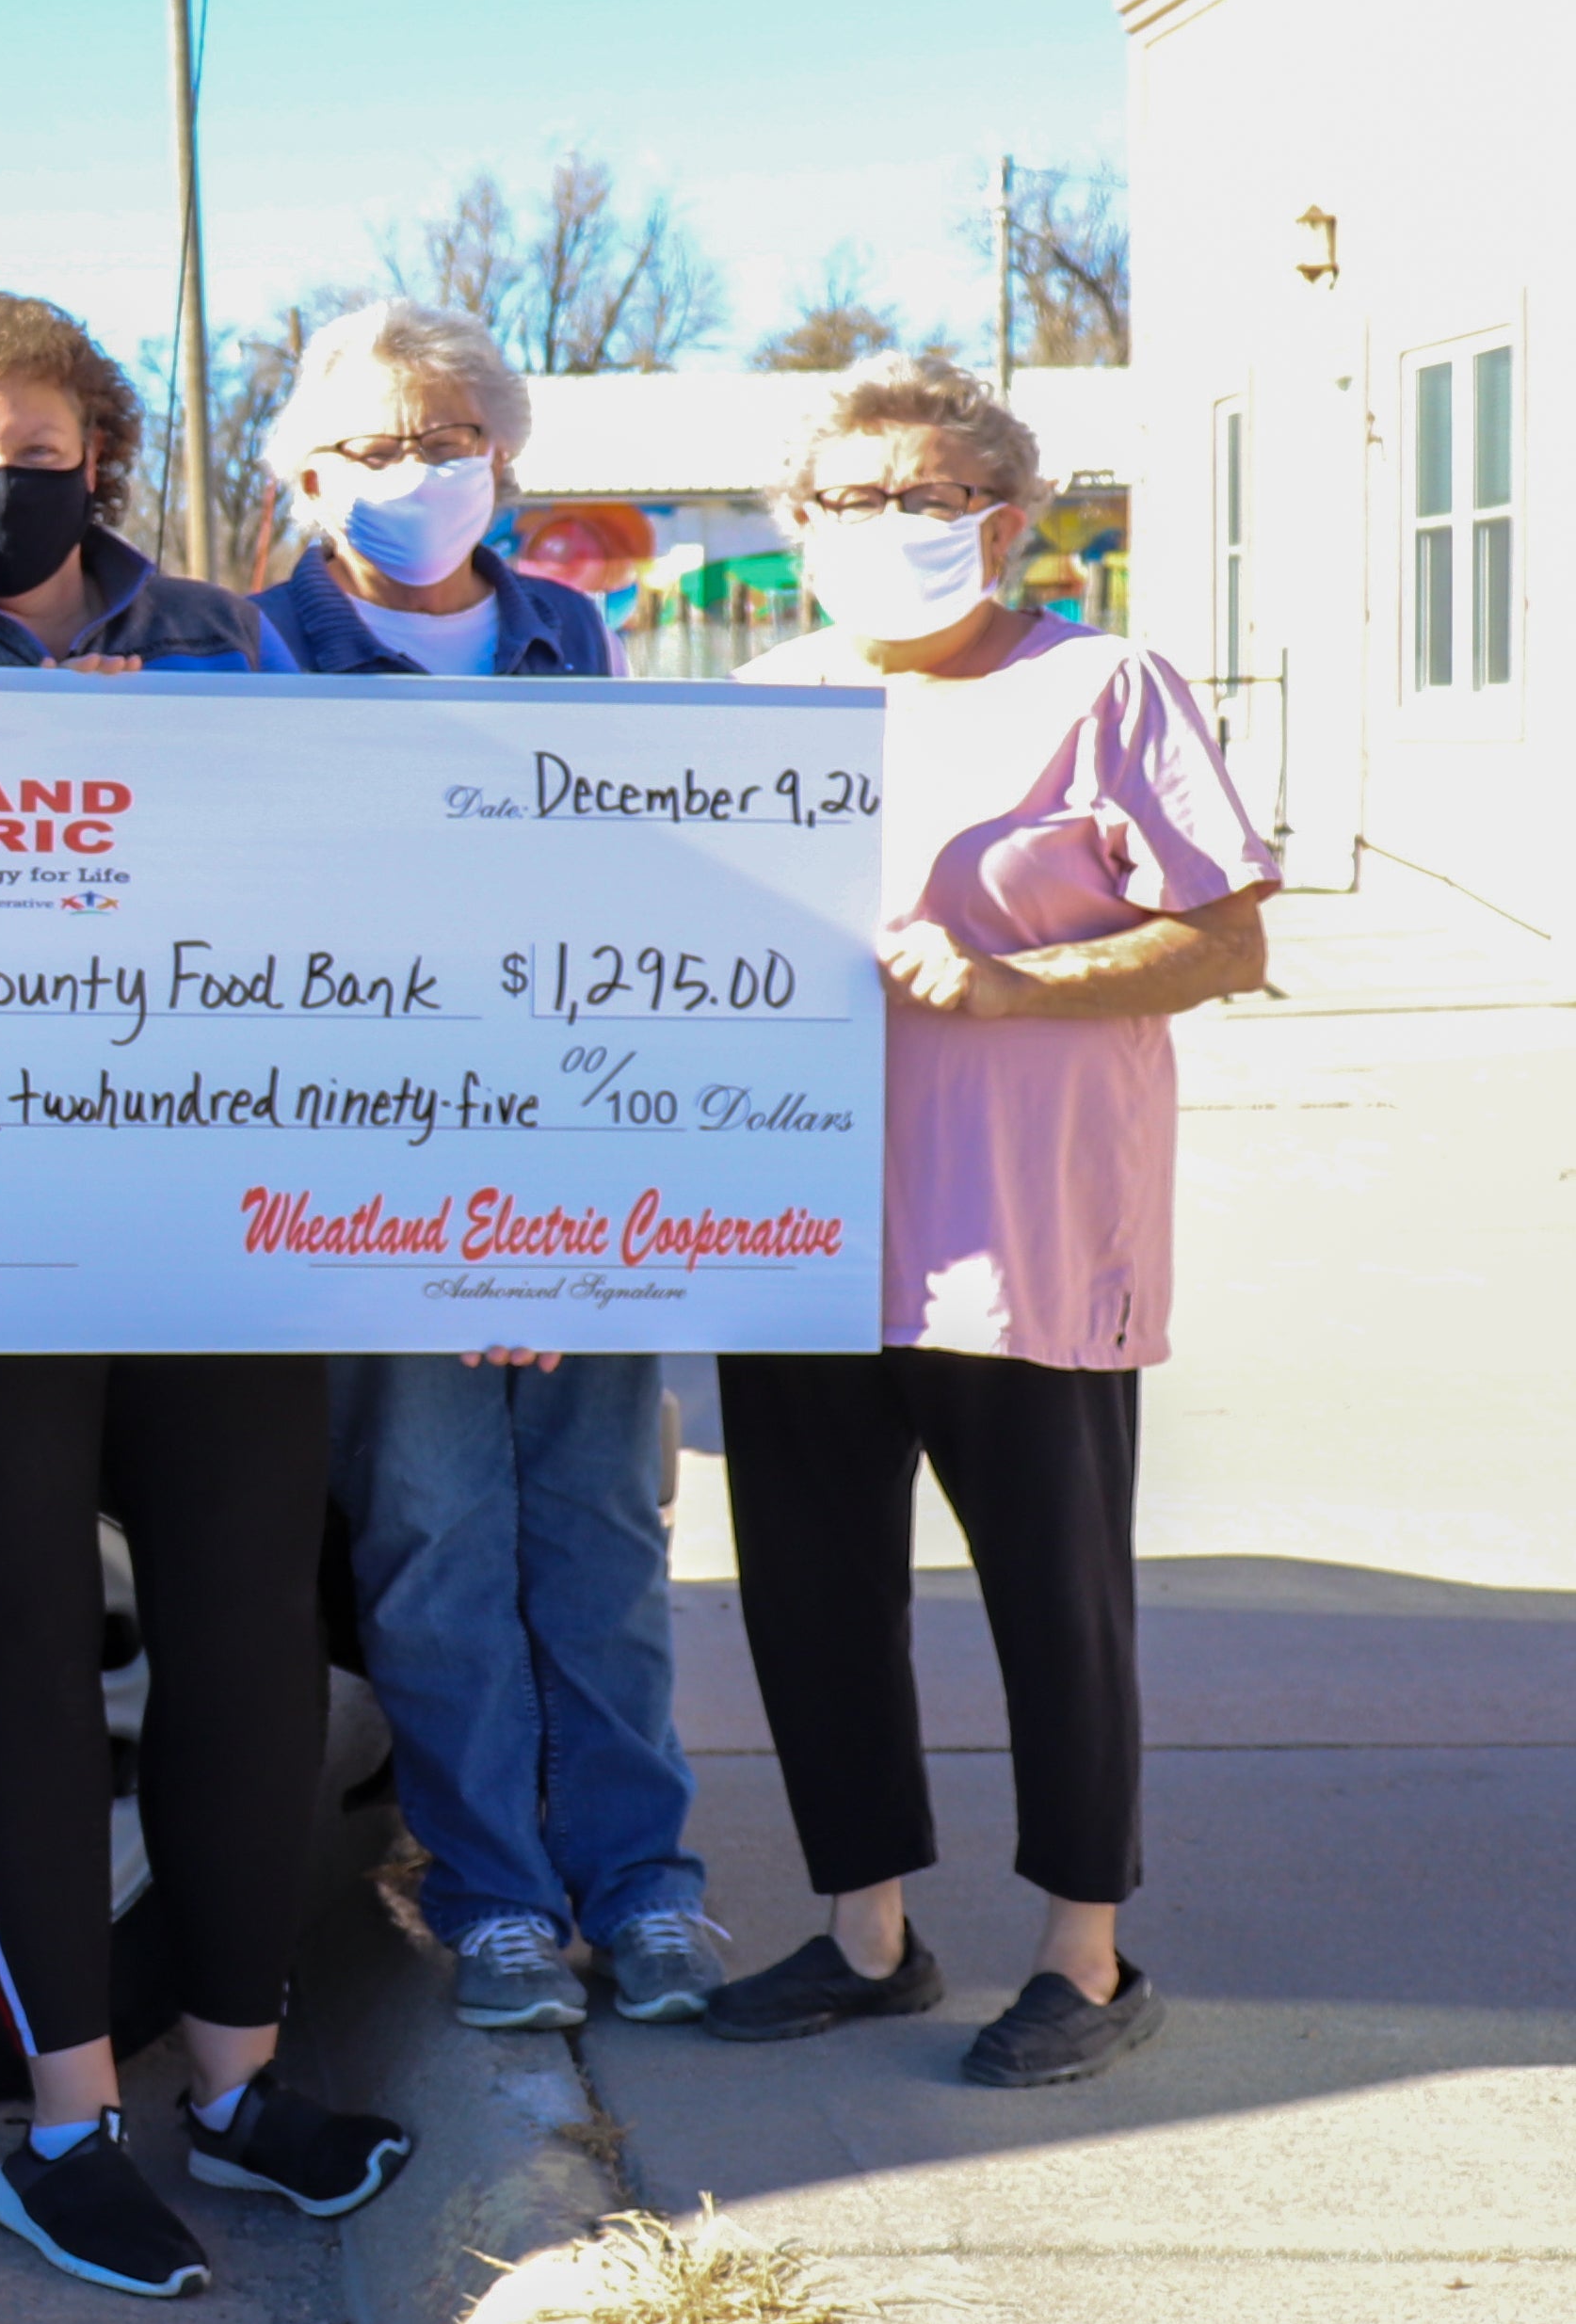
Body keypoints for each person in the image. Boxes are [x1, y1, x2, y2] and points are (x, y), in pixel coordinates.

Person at [0, 290, 407, 2299]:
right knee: (22, 1641)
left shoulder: (229, 639)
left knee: (241, 1638)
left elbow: (355, 877)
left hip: (213, 1212)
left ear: (100, 452)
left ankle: (231, 2081)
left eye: (26, 442)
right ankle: (63, 2126)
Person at [705, 354, 1278, 2087]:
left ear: (1011, 522)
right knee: (812, 1598)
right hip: (799, 1233)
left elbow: (1229, 940)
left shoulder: (1104, 687)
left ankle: (1087, 1961)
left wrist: (1016, 981)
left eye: (939, 496)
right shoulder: (760, 703)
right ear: (798, 529)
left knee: (1055, 1597)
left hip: (1024, 1237)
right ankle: (868, 1934)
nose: (900, 527)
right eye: (859, 499)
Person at [251, 301, 721, 2037]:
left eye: (448, 438)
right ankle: (497, 1896)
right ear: (306, 474)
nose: (413, 471)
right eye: (372, 445)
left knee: (603, 1528)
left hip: (579, 1148)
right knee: (436, 1542)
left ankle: (647, 1886)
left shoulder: (571, 636)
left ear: (505, 458)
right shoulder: (248, 657)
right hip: (371, 1176)